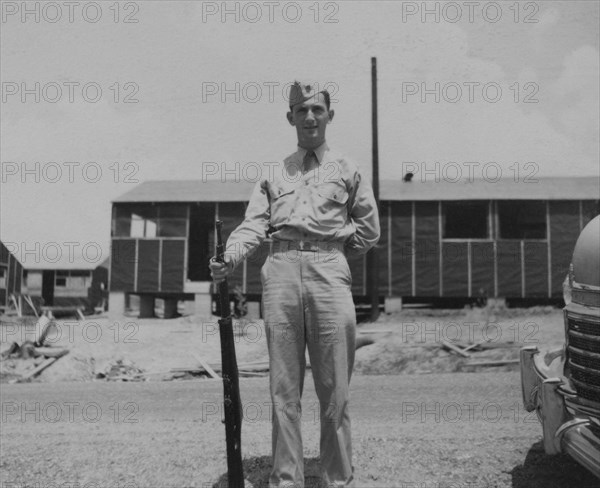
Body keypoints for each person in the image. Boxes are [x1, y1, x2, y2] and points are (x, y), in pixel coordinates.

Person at [209, 81, 380, 488]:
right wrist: (229, 257)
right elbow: (254, 226)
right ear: (290, 118)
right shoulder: (273, 173)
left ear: (329, 116)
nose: (309, 118)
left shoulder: (348, 168)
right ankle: (287, 479)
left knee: (334, 387)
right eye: (301, 111)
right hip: (281, 271)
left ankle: (337, 479)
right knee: (284, 388)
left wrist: (331, 253)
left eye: (317, 110)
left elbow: (369, 232)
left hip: (329, 276)